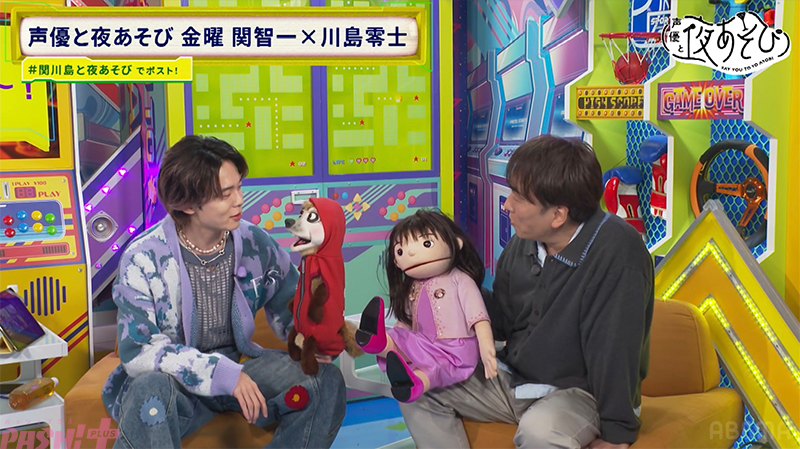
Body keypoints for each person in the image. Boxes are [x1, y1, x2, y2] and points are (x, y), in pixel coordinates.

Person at [398, 135, 655, 449]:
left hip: (581, 392)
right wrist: (456, 286)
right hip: (518, 379)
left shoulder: (618, 251)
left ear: (558, 215)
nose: (507, 205)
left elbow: (614, 348)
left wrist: (617, 432)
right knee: (416, 385)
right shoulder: (525, 241)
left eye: (518, 197)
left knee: (540, 433)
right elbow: (504, 322)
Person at [101, 135, 347, 448]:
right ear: (186, 204)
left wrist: (316, 338)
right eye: (224, 194)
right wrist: (221, 374)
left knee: (326, 381)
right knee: (148, 390)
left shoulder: (255, 242)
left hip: (242, 365)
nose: (239, 200)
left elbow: (293, 305)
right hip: (176, 382)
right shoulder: (143, 258)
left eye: (239, 188)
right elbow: (138, 352)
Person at [355, 210, 497, 403]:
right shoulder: (413, 286)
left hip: (455, 351)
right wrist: (396, 336)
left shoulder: (460, 280)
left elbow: (478, 318)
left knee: (436, 368)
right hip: (425, 344)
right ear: (396, 261)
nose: (411, 253)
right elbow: (407, 321)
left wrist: (487, 348)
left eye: (426, 243)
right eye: (400, 251)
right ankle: (378, 342)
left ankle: (414, 384)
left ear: (456, 244)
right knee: (399, 337)